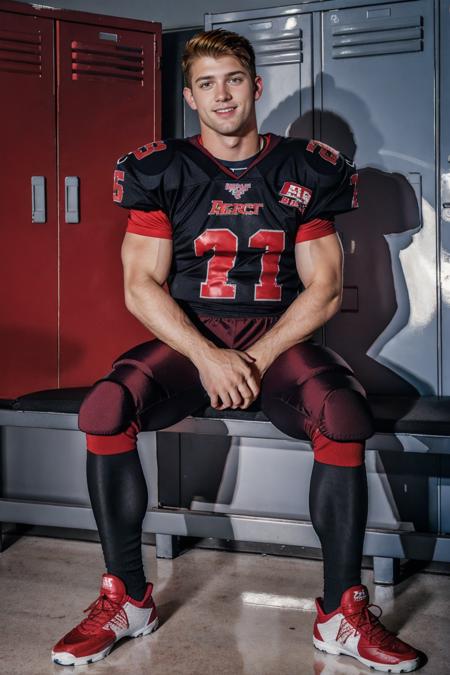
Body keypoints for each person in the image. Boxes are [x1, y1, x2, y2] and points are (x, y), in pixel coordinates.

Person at [51, 29, 420, 672]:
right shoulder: (162, 168)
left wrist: (252, 357)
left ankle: (340, 612)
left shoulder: (306, 167)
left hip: (279, 339)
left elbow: (326, 289)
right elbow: (141, 286)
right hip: (193, 339)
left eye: (233, 79)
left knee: (343, 413)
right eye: (206, 83)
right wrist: (208, 356)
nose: (222, 94)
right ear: (191, 97)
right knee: (106, 407)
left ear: (255, 85)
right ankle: (128, 597)